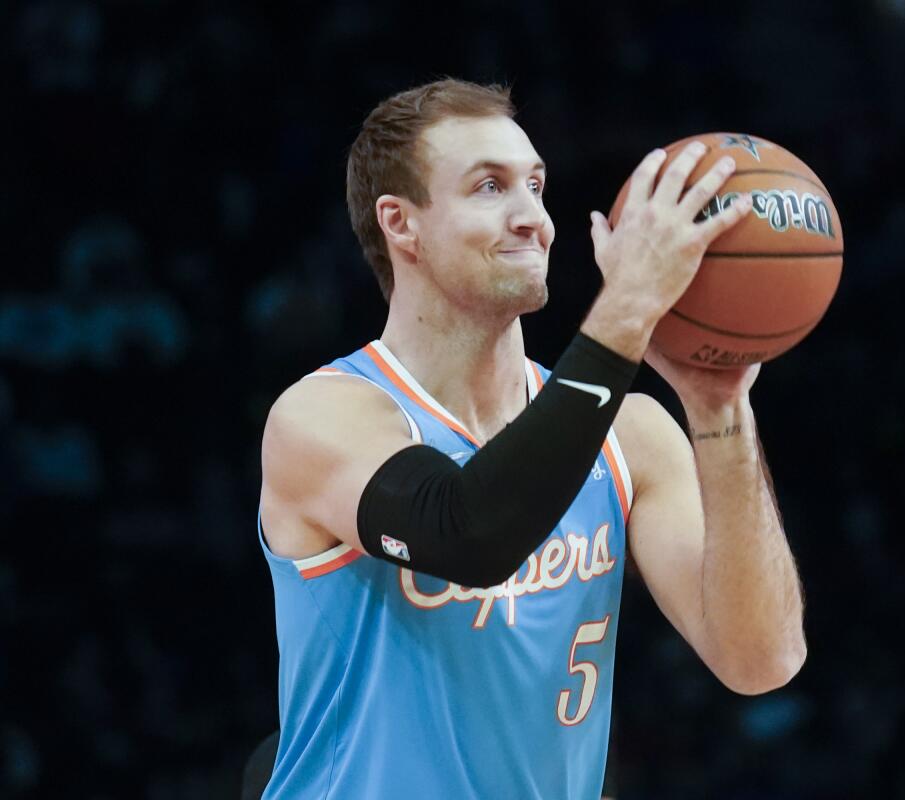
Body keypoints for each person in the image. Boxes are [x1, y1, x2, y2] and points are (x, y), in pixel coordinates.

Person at [257, 78, 807, 799]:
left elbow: (760, 659)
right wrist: (629, 307)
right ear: (402, 224)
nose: (534, 220)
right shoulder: (326, 416)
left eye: (536, 186)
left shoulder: (629, 434)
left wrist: (719, 409)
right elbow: (467, 532)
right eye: (490, 187)